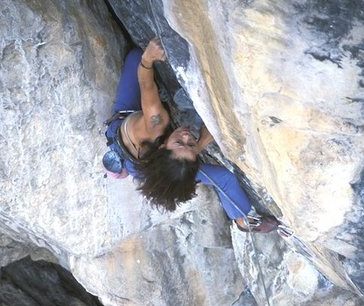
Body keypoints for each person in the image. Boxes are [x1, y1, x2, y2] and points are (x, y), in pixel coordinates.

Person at [103, 38, 279, 233]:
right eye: (190, 145)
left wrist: (148, 59)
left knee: (136, 55)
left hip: (126, 126)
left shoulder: (155, 122)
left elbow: (146, 83)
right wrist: (200, 143)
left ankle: (122, 167)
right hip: (143, 160)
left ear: (162, 147)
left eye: (180, 141)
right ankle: (245, 221)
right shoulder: (175, 159)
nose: (187, 136)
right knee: (223, 178)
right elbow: (185, 157)